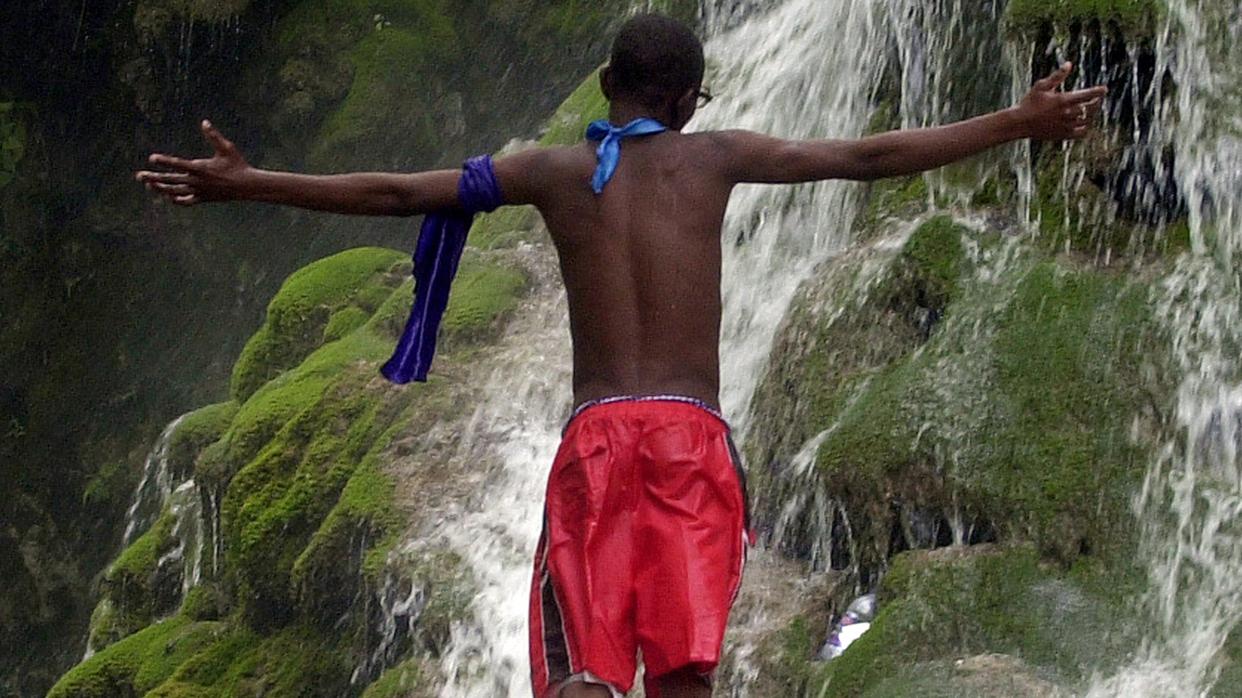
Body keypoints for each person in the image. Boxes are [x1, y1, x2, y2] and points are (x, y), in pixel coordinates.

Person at [136, 13, 1105, 698]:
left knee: (583, 673)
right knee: (684, 676)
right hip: (695, 443)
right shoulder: (717, 156)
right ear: (686, 100)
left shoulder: (555, 171)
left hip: (597, 442)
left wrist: (250, 182)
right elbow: (867, 158)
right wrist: (1016, 121)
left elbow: (398, 193)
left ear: (606, 85)